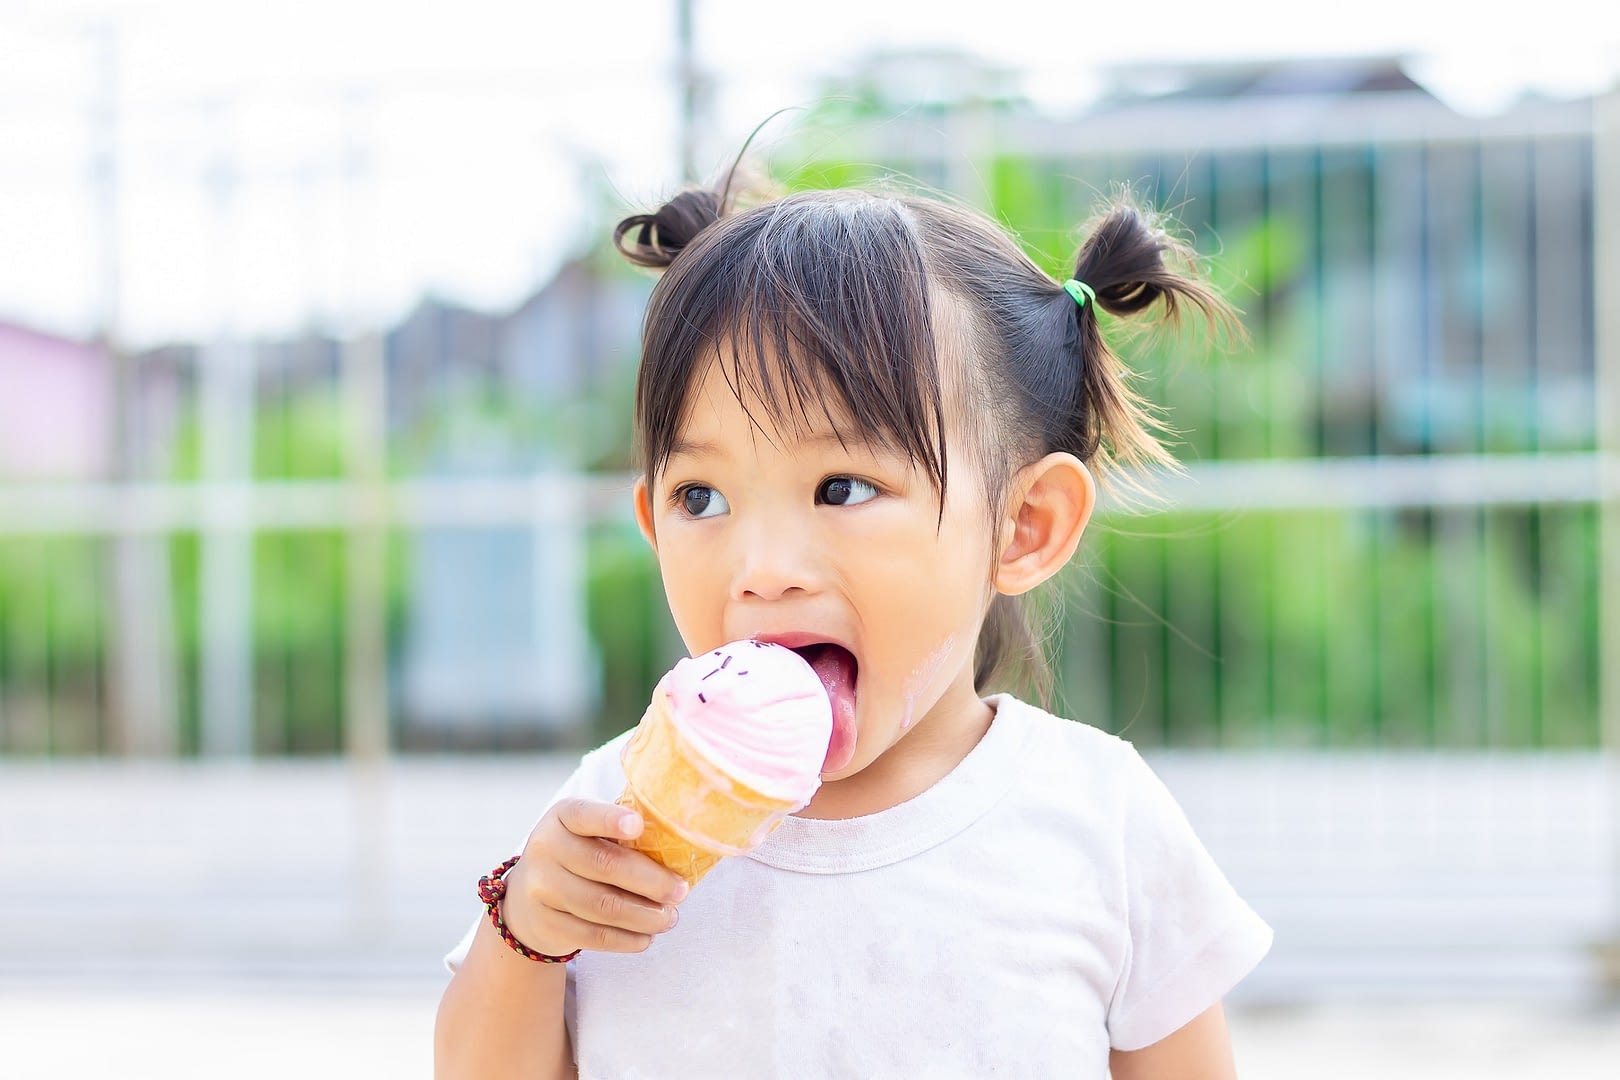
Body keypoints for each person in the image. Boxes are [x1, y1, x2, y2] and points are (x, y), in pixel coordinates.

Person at [434, 167, 1273, 1079]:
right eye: (701, 495)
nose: (762, 569)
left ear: (1023, 527)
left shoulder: (1096, 819)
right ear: (651, 524)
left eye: (842, 488)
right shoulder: (617, 816)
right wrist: (526, 931)